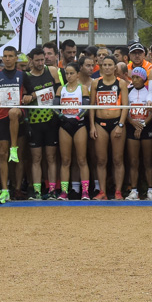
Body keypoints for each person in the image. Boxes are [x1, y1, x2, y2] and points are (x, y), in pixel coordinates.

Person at [0, 46, 26, 204]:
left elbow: (31, 93)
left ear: (16, 58)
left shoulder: (23, 75)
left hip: (18, 117)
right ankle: (5, 190)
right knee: (2, 155)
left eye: (11, 56)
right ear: (2, 59)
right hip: (0, 117)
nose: (8, 59)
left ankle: (17, 187)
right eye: (5, 56)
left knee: (18, 158)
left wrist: (29, 96)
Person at [22, 48, 62, 199]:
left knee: (51, 157)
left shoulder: (51, 70)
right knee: (36, 158)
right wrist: (28, 97)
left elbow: (59, 90)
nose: (40, 63)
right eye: (37, 60)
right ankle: (37, 190)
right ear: (30, 60)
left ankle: (52, 190)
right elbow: (24, 97)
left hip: (51, 120)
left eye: (42, 60)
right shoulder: (26, 76)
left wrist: (36, 94)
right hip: (34, 121)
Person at [89, 55, 129, 200]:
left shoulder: (121, 83)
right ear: (101, 66)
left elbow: (125, 106)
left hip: (116, 123)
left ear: (114, 67)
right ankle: (102, 191)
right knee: (101, 160)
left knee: (118, 159)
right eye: (104, 65)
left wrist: (120, 125)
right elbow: (91, 106)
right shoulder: (95, 83)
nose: (106, 67)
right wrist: (92, 126)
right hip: (100, 124)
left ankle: (118, 191)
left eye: (109, 65)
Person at [57, 62, 91, 201]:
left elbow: (86, 107)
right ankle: (64, 192)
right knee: (65, 160)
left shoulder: (82, 88)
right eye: (67, 73)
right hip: (65, 125)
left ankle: (85, 192)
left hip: (79, 125)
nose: (69, 76)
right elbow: (54, 107)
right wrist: (63, 117)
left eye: (72, 73)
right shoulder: (61, 89)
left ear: (77, 74)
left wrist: (76, 118)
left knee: (82, 159)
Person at [125, 66, 152, 200]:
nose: (135, 80)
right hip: (132, 127)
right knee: (133, 161)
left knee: (148, 161)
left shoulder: (149, 91)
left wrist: (142, 125)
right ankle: (134, 190)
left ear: (143, 79)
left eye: (137, 77)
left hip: (146, 127)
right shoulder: (128, 91)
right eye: (133, 77)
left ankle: (150, 190)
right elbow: (124, 110)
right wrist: (132, 123)